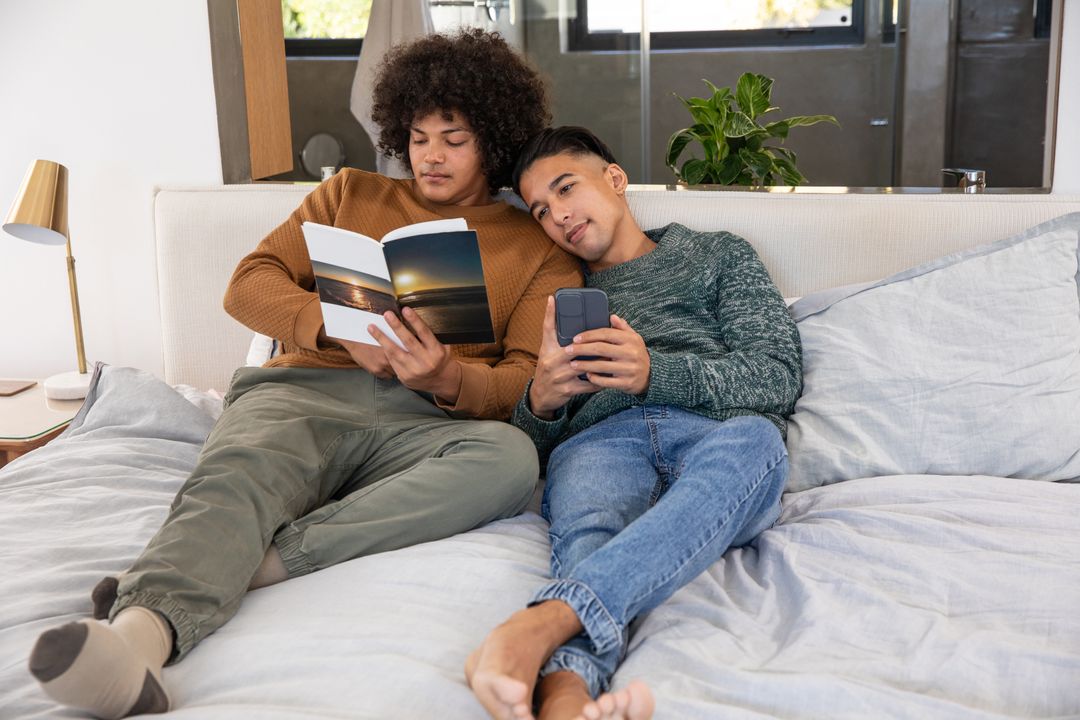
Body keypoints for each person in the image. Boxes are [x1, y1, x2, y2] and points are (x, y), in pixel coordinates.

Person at [28, 30, 580, 719]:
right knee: (239, 471)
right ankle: (136, 642)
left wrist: (447, 377)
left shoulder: (536, 245)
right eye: (417, 137)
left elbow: (527, 378)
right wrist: (336, 328)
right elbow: (249, 283)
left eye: (454, 139)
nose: (430, 156)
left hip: (426, 423)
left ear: (493, 141)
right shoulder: (349, 192)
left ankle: (257, 564)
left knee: (510, 459)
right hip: (302, 392)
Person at [465, 127, 803, 720]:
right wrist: (542, 401)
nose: (558, 216)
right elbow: (530, 452)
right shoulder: (553, 290)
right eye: (540, 210)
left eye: (565, 188)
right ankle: (567, 700)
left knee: (757, 443)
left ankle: (543, 624)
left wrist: (655, 374)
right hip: (601, 440)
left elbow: (777, 374)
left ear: (615, 179)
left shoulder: (717, 253)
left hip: (718, 432)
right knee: (588, 530)